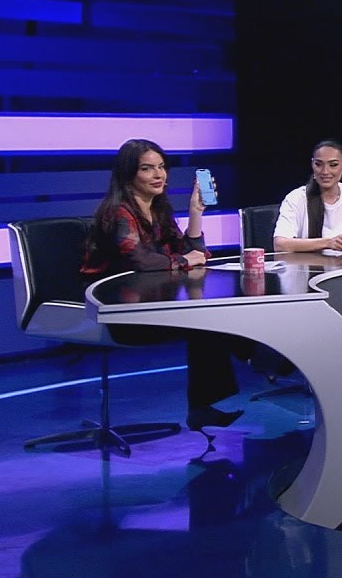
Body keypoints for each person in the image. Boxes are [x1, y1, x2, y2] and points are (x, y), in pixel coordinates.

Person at [81, 138, 245, 436]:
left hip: (149, 301)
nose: (158, 175)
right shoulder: (118, 212)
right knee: (205, 321)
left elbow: (192, 252)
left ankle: (209, 402)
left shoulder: (158, 209)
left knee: (213, 314)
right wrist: (183, 260)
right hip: (117, 310)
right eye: (147, 168)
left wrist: (195, 213)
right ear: (128, 174)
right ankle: (258, 365)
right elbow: (140, 260)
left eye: (161, 167)